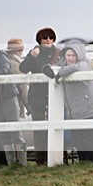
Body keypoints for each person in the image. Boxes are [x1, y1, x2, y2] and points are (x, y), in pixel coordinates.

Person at [42, 40, 93, 163]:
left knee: (90, 142)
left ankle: (92, 166)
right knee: (78, 141)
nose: (71, 58)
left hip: (91, 108)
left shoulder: (85, 63)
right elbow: (53, 69)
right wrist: (50, 70)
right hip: (76, 112)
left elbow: (77, 68)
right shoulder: (61, 65)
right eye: (68, 55)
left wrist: (59, 74)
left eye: (73, 56)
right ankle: (84, 165)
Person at [19, 27, 61, 165]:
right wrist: (32, 56)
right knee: (39, 129)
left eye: (50, 37)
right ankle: (41, 160)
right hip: (37, 96)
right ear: (40, 40)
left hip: (56, 95)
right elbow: (23, 69)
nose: (48, 40)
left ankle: (56, 158)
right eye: (44, 38)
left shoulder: (59, 53)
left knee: (57, 127)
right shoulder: (34, 53)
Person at [5, 39, 29, 118]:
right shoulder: (17, 65)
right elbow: (24, 91)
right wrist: (30, 108)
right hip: (17, 107)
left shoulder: (6, 62)